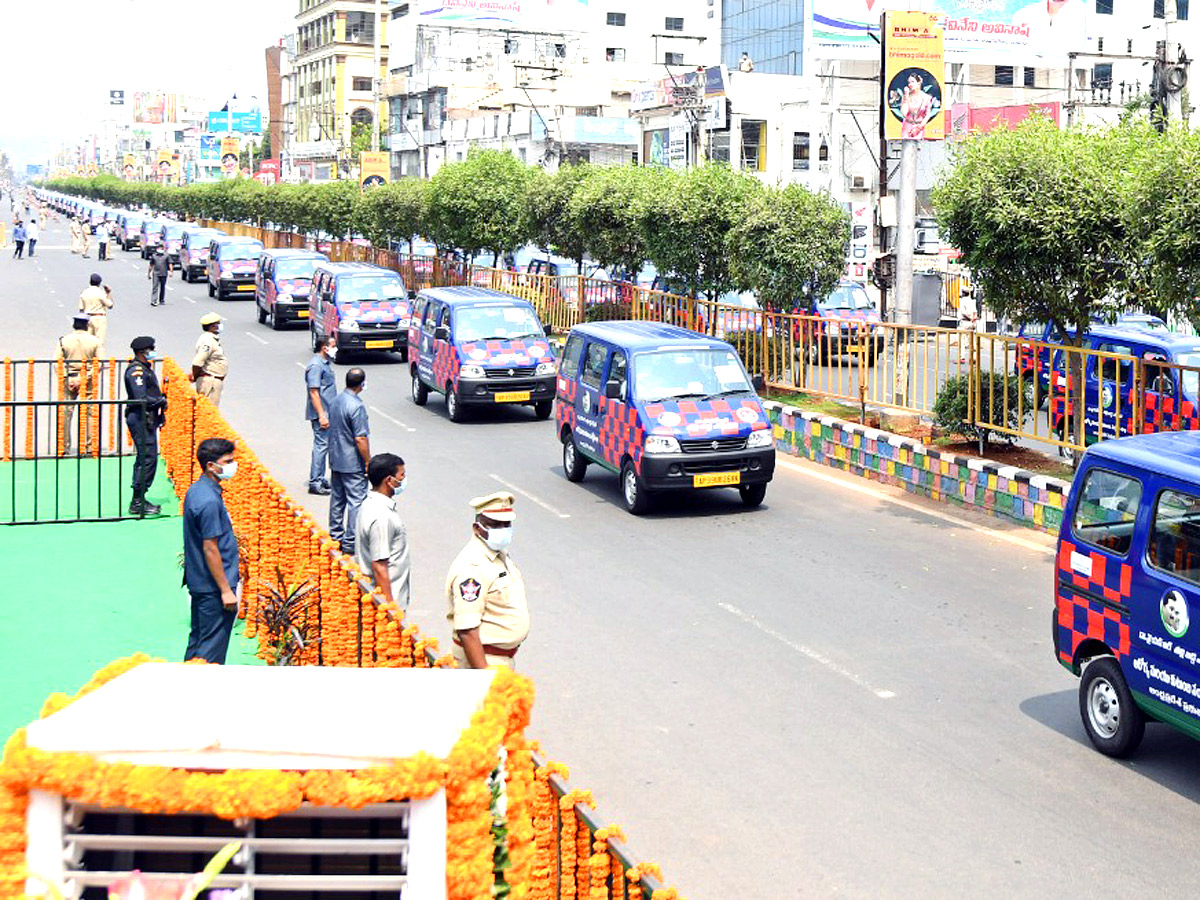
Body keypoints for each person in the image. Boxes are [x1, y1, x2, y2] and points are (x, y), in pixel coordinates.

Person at [445, 491, 530, 669]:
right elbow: (468, 631)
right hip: (483, 660)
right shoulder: (473, 568)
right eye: (495, 525)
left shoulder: (498, 556)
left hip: (500, 659)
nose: (503, 530)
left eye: (507, 524)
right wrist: (485, 678)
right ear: (477, 528)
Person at [182, 437, 242, 664]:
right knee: (210, 652)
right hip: (214, 589)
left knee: (198, 643)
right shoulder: (209, 501)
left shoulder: (197, 491)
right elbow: (210, 548)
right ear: (210, 465)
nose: (232, 465)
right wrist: (226, 591)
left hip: (201, 583)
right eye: (227, 461)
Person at [355, 453, 410, 611]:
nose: (404, 479)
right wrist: (390, 610)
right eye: (402, 475)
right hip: (388, 600)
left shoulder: (369, 504)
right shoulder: (381, 517)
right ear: (389, 480)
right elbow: (379, 566)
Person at [327, 368, 371, 555]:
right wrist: (368, 462)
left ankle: (335, 536)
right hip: (352, 462)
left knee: (337, 498)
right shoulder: (356, 406)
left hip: (336, 457)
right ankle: (350, 542)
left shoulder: (336, 401)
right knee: (355, 501)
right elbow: (360, 438)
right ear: (361, 384)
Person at [124, 336, 167, 516]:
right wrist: (160, 400)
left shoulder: (144, 369)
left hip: (146, 418)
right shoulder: (136, 372)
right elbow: (141, 397)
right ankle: (137, 501)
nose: (153, 352)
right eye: (151, 349)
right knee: (147, 458)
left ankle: (140, 498)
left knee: (148, 457)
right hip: (140, 418)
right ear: (143, 352)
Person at [55, 314, 101, 454]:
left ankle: (63, 448)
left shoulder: (64, 341)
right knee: (89, 413)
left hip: (69, 379)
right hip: (87, 380)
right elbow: (98, 364)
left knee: (65, 413)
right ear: (87, 326)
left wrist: (66, 378)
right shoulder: (95, 341)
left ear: (74, 325)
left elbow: (58, 362)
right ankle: (89, 447)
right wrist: (84, 378)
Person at [305, 336, 337, 495]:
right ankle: (315, 482)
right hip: (321, 413)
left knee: (325, 446)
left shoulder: (324, 363)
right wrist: (322, 415)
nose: (334, 348)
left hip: (328, 411)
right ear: (324, 348)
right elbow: (314, 392)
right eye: (333, 346)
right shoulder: (316, 366)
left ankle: (321, 477)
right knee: (321, 446)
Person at [192, 313, 229, 406]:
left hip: (213, 381)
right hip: (210, 382)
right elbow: (197, 363)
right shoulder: (208, 341)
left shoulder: (212, 339)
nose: (220, 326)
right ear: (212, 327)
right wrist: (195, 377)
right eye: (218, 323)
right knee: (209, 412)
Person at [78, 273, 114, 353]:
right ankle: (98, 361)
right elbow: (110, 305)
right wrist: (108, 293)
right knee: (99, 342)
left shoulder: (84, 293)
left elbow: (81, 309)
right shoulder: (100, 293)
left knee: (88, 341)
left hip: (87, 318)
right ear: (99, 283)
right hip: (99, 318)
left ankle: (88, 360)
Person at [899, 72, 934, 140]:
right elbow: (904, 113)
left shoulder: (926, 98)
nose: (910, 84)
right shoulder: (906, 96)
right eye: (909, 82)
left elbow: (927, 115)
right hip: (907, 127)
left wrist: (919, 128)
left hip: (919, 128)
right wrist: (906, 96)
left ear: (919, 83)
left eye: (912, 82)